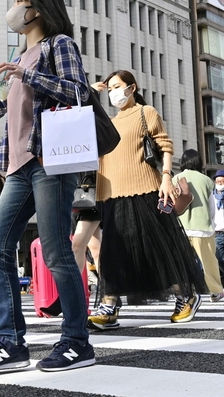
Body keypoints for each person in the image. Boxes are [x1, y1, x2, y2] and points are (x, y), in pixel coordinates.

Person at [0, 0, 95, 373]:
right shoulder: (17, 55)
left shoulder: (59, 45)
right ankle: (10, 343)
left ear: (36, 9)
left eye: (19, 2)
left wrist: (29, 74)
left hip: (51, 160)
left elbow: (79, 93)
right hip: (18, 167)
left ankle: (75, 341)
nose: (13, 8)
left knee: (55, 250)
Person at [89, 70, 205, 329]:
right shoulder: (107, 121)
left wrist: (165, 177)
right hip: (111, 192)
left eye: (117, 86)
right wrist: (92, 91)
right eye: (109, 89)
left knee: (158, 246)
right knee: (113, 252)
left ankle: (185, 295)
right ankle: (110, 304)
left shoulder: (146, 112)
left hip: (145, 188)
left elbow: (164, 146)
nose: (113, 93)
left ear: (132, 87)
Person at [175, 151, 224, 302]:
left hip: (181, 228)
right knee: (208, 261)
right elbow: (212, 206)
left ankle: (185, 290)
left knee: (183, 261)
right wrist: (212, 223)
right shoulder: (206, 180)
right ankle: (216, 290)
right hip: (202, 228)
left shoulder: (174, 179)